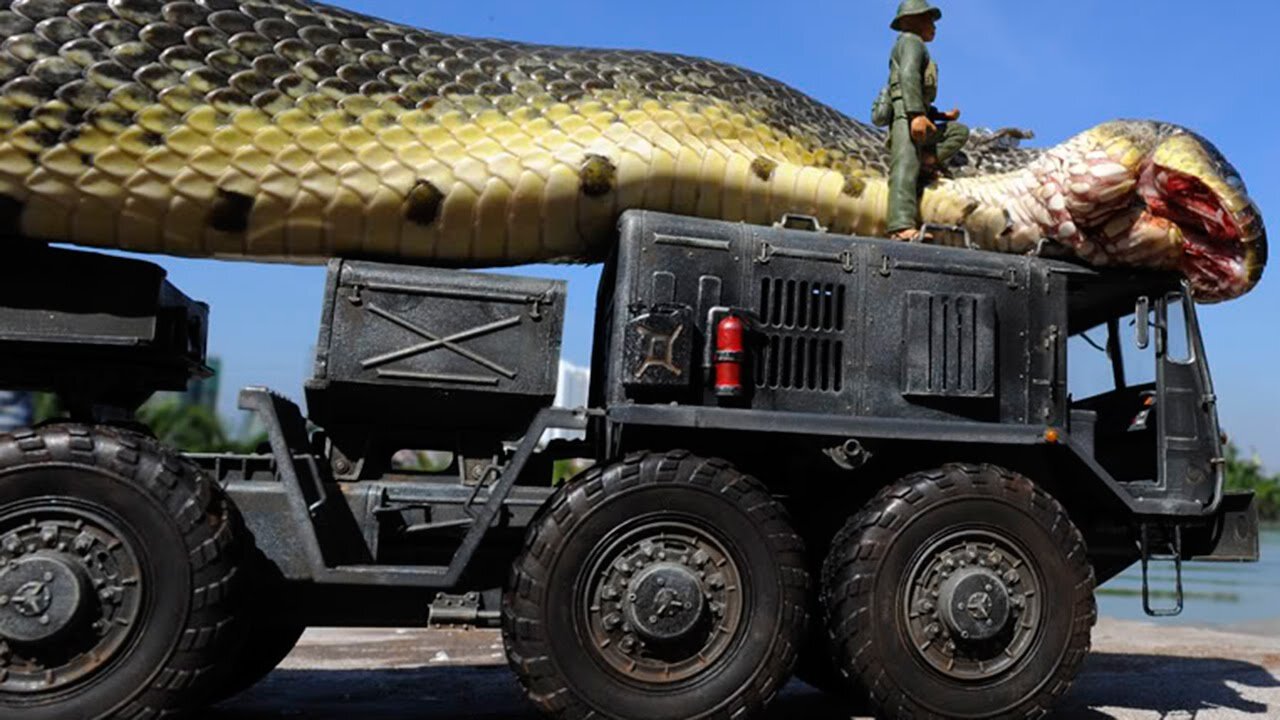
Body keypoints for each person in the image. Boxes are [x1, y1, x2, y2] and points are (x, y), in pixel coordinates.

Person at [883, 0, 969, 240]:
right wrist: (915, 115)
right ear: (911, 21)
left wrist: (939, 116)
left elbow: (918, 90)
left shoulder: (917, 45)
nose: (934, 25)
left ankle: (926, 161)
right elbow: (908, 76)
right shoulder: (911, 42)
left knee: (957, 131)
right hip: (906, 115)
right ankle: (900, 226)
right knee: (904, 166)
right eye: (928, 19)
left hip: (916, 113)